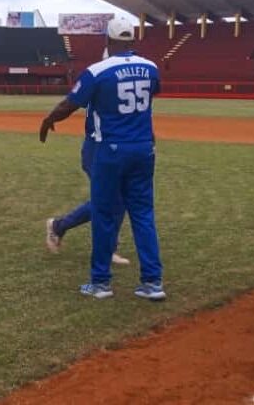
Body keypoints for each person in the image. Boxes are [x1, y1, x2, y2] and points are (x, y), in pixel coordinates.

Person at [39, 17, 165, 301]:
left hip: (109, 149)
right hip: (144, 148)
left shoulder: (98, 71)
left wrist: (48, 119)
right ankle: (153, 282)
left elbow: (70, 103)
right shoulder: (151, 67)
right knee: (143, 215)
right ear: (132, 40)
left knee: (105, 214)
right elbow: (148, 100)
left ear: (107, 40)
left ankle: (100, 283)